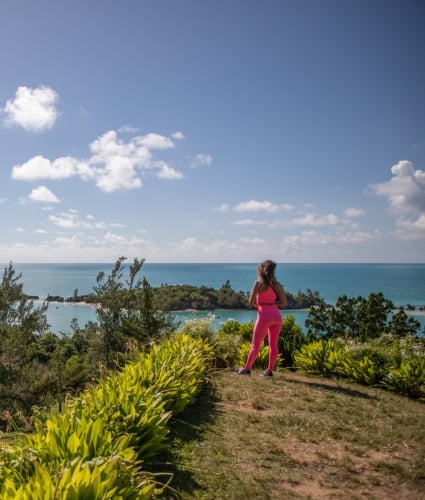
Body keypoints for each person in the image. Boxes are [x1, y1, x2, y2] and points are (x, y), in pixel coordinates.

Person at [235, 260, 287, 377]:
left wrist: (260, 305)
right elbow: (283, 302)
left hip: (264, 316)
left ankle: (246, 369)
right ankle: (269, 371)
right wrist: (272, 304)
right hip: (277, 316)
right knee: (273, 344)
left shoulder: (258, 284)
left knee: (255, 345)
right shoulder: (277, 285)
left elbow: (251, 301)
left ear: (261, 270)